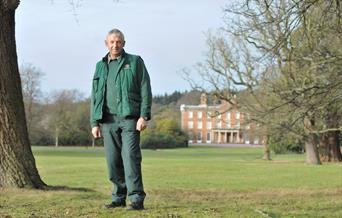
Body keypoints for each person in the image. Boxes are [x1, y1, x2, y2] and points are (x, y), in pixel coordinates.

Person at [90, 28, 152, 210]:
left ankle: (136, 199)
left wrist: (144, 115)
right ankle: (118, 198)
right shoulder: (100, 66)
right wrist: (94, 122)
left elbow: (145, 88)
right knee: (112, 161)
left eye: (118, 41)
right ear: (106, 44)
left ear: (123, 43)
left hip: (130, 119)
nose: (115, 45)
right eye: (112, 42)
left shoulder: (135, 62)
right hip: (107, 121)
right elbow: (95, 96)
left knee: (131, 158)